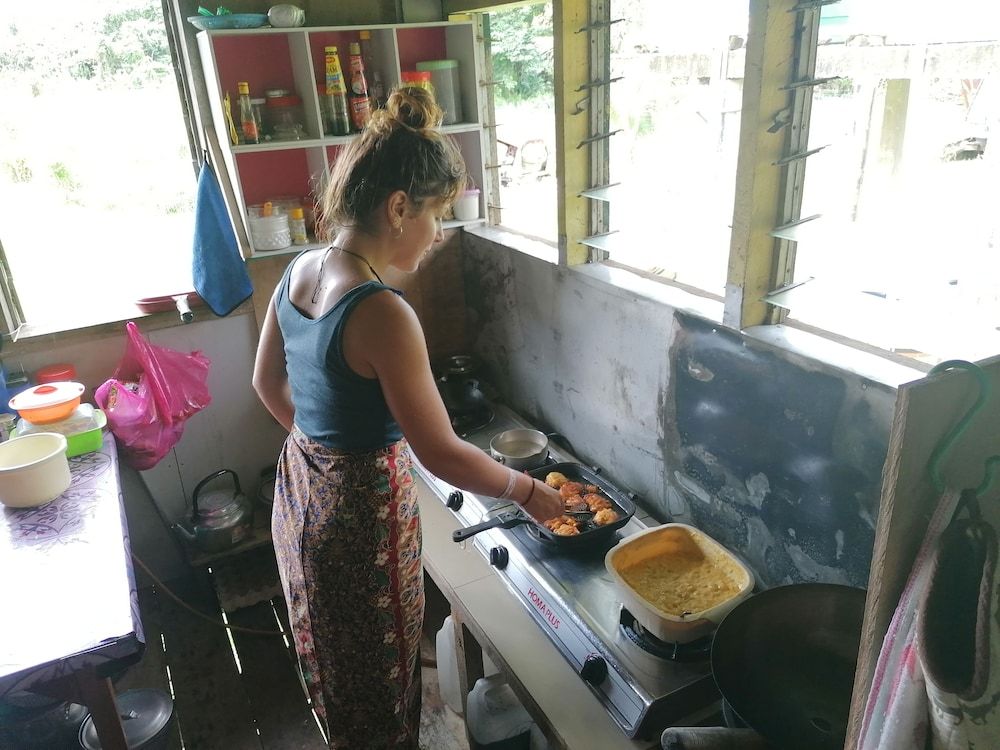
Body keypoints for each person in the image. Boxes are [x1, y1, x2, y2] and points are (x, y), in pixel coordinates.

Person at [251, 87, 563, 750]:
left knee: (336, 670)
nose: (439, 232)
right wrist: (529, 491)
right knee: (380, 684)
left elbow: (265, 383)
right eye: (435, 213)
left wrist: (322, 446)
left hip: (300, 496)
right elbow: (441, 451)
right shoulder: (382, 311)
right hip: (360, 526)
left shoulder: (299, 268)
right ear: (398, 208)